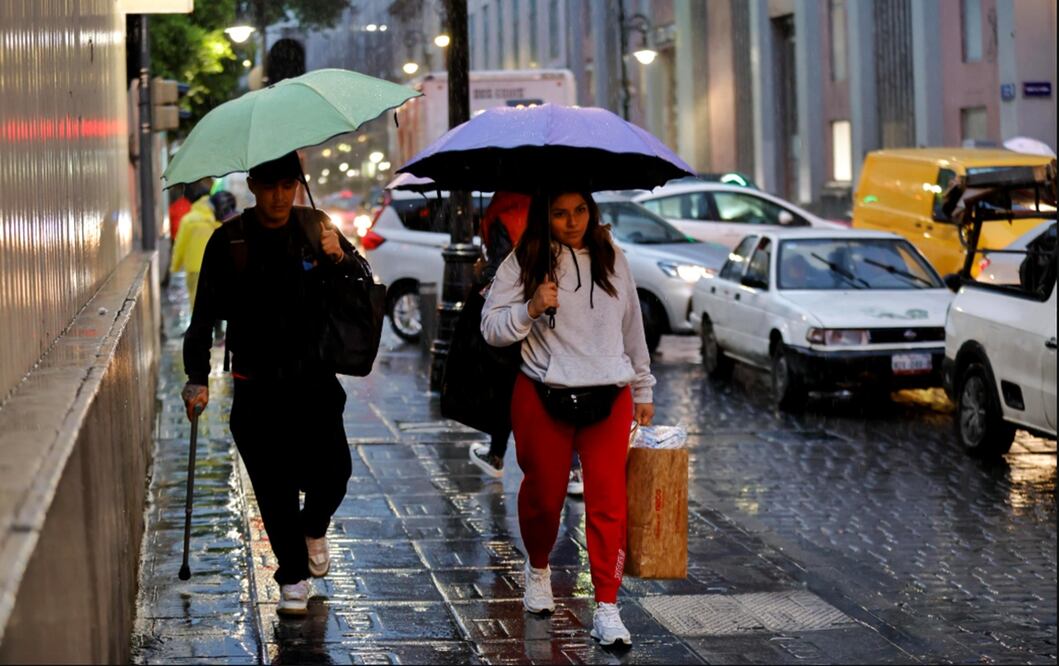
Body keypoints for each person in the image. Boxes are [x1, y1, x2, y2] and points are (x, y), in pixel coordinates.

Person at [180, 152, 371, 617]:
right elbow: (203, 315)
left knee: (335, 472)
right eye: (270, 187)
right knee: (274, 486)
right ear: (252, 186)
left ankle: (314, 527)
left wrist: (340, 257)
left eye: (288, 186)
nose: (280, 196)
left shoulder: (315, 226)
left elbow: (361, 284)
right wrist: (196, 378)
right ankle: (292, 577)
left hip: (314, 380)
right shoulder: (230, 240)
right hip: (256, 385)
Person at [480, 190, 655, 646]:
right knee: (544, 497)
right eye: (560, 213)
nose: (573, 222)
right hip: (543, 393)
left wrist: (642, 386)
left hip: (609, 393)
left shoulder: (611, 255)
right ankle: (538, 565)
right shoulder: (525, 259)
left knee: (608, 501)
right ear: (545, 215)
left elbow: (631, 324)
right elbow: (491, 327)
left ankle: (608, 606)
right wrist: (530, 308)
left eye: (580, 211)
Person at [169, 189, 232, 307]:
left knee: (196, 304)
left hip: (194, 268)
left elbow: (180, 245)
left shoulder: (187, 220)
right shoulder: (217, 220)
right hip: (215, 268)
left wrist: (175, 267)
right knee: (215, 303)